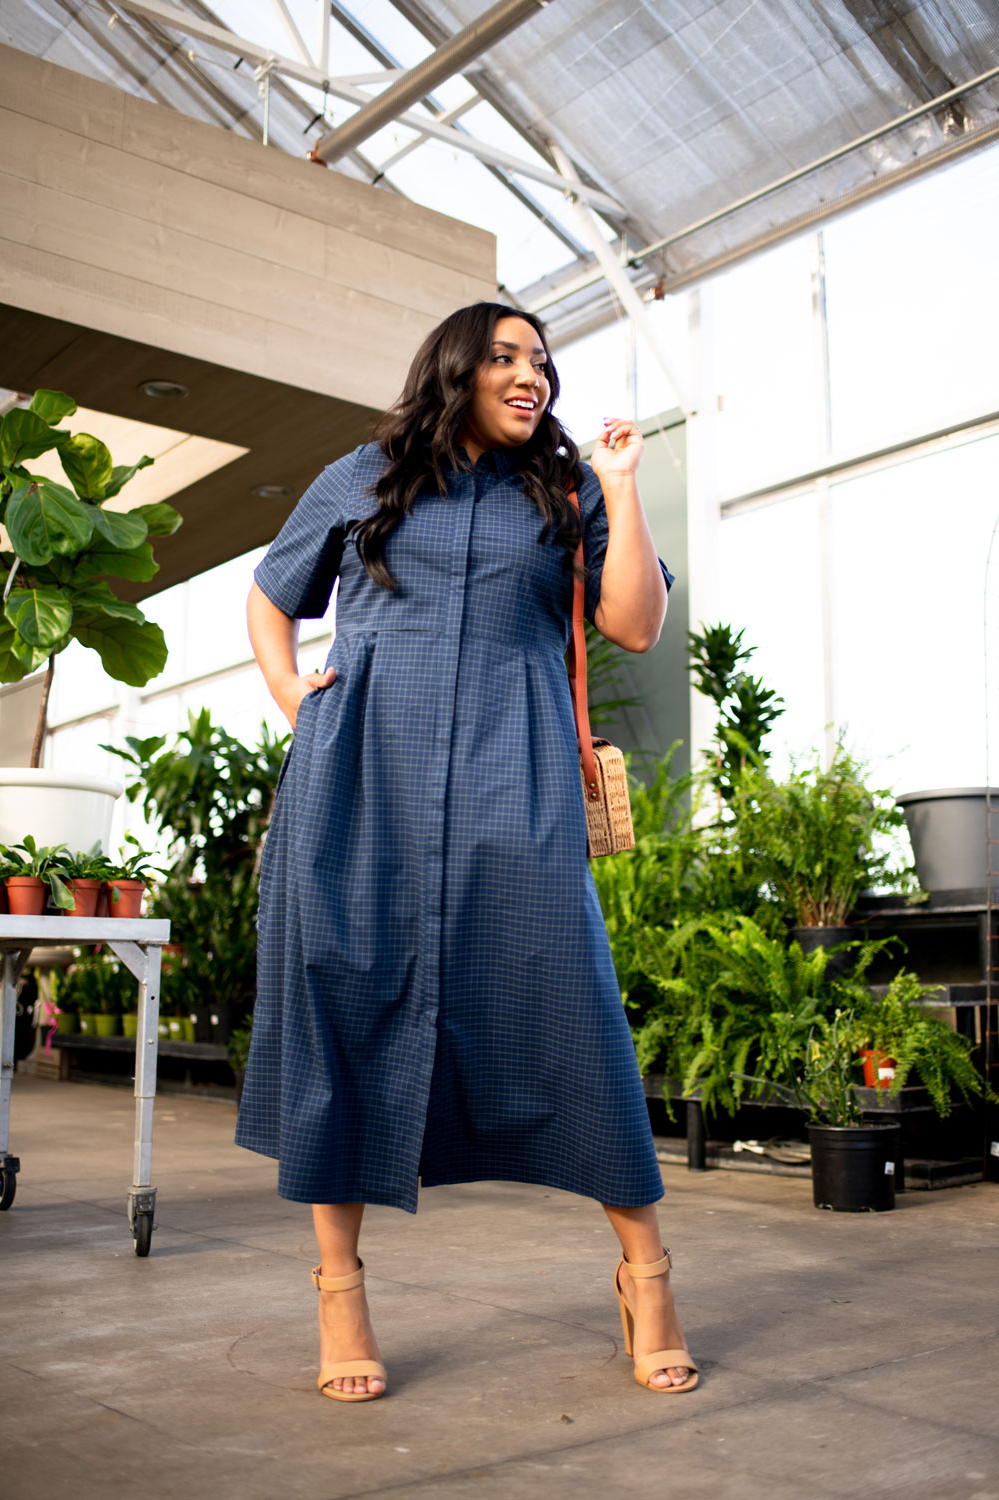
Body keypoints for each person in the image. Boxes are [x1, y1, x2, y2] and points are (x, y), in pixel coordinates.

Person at [236, 301, 697, 1402]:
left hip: (517, 776)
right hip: (359, 776)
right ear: (455, 369)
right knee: (341, 1004)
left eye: (539, 359)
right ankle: (339, 1291)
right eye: (502, 357)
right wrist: (297, 696)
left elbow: (633, 622)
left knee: (569, 1005)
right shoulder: (365, 474)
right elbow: (268, 598)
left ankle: (649, 1275)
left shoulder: (569, 489)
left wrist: (624, 487)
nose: (528, 374)